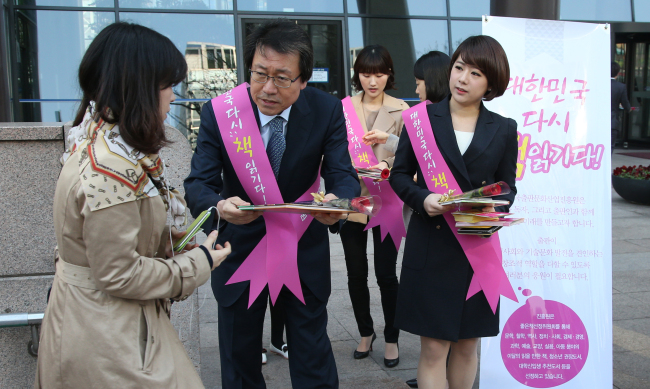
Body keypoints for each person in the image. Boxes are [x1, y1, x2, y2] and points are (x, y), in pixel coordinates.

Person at [34, 22, 231, 389]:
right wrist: (200, 262)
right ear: (140, 87)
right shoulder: (112, 168)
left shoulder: (100, 141)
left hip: (102, 322)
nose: (173, 96)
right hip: (108, 337)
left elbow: (115, 238)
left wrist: (171, 239)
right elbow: (119, 273)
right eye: (167, 85)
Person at [183, 18, 360, 388]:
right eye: (259, 74)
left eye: (282, 77)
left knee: (312, 355)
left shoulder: (326, 110)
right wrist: (218, 206)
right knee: (239, 358)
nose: (267, 88)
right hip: (238, 247)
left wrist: (337, 203)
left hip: (301, 246)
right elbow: (198, 183)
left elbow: (343, 174)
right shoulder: (221, 112)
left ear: (304, 79)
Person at [390, 35, 517, 389]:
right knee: (433, 348)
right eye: (459, 67)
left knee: (467, 344)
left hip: (477, 251)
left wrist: (491, 211)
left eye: (475, 73)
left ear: (492, 82)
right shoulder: (419, 119)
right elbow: (399, 175)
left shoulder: (504, 129)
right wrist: (422, 198)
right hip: (430, 246)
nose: (462, 78)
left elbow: (507, 187)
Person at [340, 44, 409, 368]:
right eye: (366, 73)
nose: (373, 80)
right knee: (355, 273)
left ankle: (392, 337)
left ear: (389, 74)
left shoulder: (401, 109)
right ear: (358, 75)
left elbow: (410, 157)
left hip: (387, 202)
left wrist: (385, 162)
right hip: (353, 199)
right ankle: (365, 332)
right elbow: (334, 152)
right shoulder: (343, 108)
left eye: (379, 73)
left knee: (386, 275)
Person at [611, 61, 631, 152]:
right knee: (610, 146)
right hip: (612, 121)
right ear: (617, 73)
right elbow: (625, 103)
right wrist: (628, 109)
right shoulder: (621, 87)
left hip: (598, 121)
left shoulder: (599, 85)